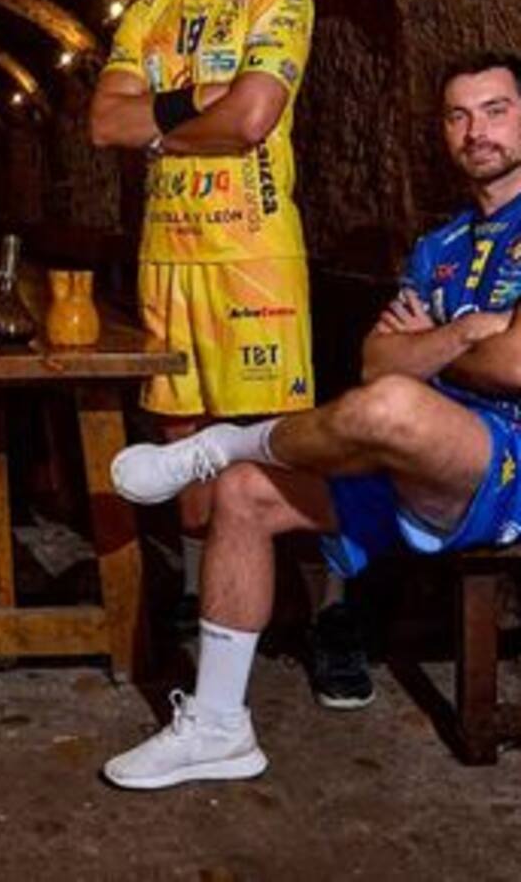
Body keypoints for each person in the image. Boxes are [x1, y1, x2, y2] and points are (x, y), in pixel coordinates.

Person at [103, 53, 521, 789]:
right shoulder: (441, 247)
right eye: (457, 115)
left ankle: (225, 439)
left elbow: (514, 366)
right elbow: (376, 360)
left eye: (495, 110)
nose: (474, 131)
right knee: (244, 492)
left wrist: (429, 350)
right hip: (411, 461)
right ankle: (218, 726)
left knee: (393, 407)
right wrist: (464, 334)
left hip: (504, 464)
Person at [87, 0, 366, 705]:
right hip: (168, 256)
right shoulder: (147, 14)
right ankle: (205, 596)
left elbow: (252, 118)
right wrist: (193, 109)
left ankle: (331, 612)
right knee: (182, 441)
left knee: (282, 439)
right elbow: (104, 122)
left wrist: (161, 123)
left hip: (253, 258)